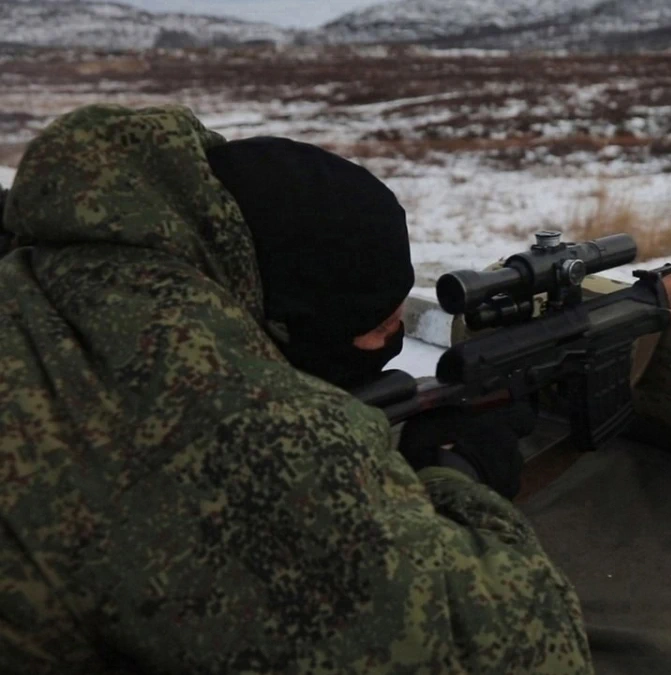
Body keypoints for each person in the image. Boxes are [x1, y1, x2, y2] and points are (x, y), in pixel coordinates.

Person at [0, 104, 591, 674]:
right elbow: (524, 647)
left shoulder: (55, 260)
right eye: (380, 324)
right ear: (288, 321)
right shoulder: (233, 420)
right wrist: (458, 474)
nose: (394, 337)